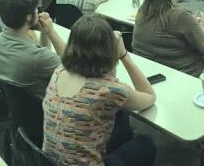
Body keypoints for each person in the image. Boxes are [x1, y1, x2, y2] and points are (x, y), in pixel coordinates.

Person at [43, 15, 157, 166]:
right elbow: (150, 97)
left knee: (119, 115)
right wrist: (123, 54)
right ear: (108, 49)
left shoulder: (59, 71)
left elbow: (107, 78)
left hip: (48, 161)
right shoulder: (109, 90)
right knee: (145, 143)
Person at [0, 0, 65, 97]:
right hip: (45, 104)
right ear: (29, 17)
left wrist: (45, 32)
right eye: (36, 9)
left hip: (19, 105)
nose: (38, 11)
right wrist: (51, 32)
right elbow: (71, 66)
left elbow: (43, 52)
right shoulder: (37, 57)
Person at [132, 0, 204, 77]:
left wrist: (191, 23)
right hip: (186, 73)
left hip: (151, 72)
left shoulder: (142, 12)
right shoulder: (181, 16)